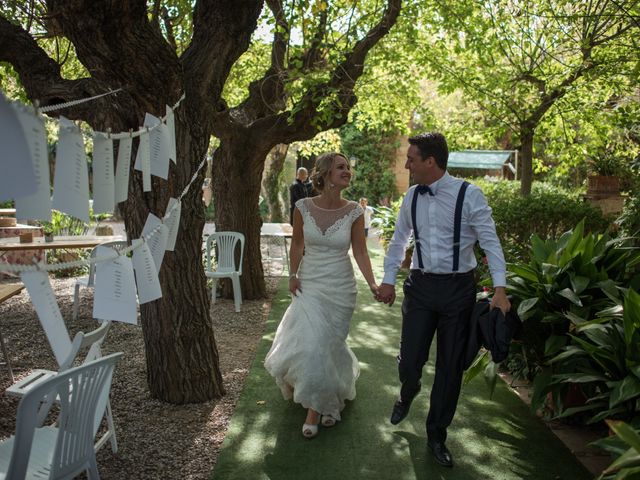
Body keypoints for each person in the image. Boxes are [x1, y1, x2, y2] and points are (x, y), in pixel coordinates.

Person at [376, 132, 510, 467]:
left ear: (430, 161)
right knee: (410, 361)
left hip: (458, 291)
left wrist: (500, 289)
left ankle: (437, 434)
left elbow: (491, 243)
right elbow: (398, 240)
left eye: (411, 158)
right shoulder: (412, 196)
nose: (407, 164)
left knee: (450, 368)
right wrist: (388, 280)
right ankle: (409, 389)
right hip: (420, 288)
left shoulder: (470, 195)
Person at [265, 152, 379, 439]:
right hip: (311, 283)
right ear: (325, 173)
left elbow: (361, 252)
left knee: (328, 344)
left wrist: (374, 284)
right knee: (313, 343)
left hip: (341, 288)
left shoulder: (354, 211)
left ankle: (325, 399)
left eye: (348, 168)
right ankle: (316, 408)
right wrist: (292, 275)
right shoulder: (302, 207)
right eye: (341, 167)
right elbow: (297, 245)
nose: (347, 171)